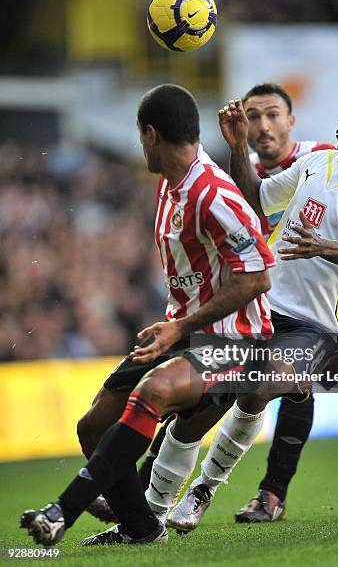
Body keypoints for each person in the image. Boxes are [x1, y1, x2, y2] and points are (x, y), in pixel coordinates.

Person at [135, 84, 338, 531]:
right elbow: (254, 195)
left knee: (257, 389)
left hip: (316, 324)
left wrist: (321, 245)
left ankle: (205, 488)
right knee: (200, 404)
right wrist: (235, 148)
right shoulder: (315, 162)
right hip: (262, 306)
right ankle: (145, 512)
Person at [19, 83, 276, 547]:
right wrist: (178, 324)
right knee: (92, 426)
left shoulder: (212, 194)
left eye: (140, 137)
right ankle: (140, 529)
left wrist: (183, 324)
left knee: (152, 392)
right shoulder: (170, 185)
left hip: (235, 342)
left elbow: (257, 279)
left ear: (151, 135)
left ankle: (62, 511)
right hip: (180, 332)